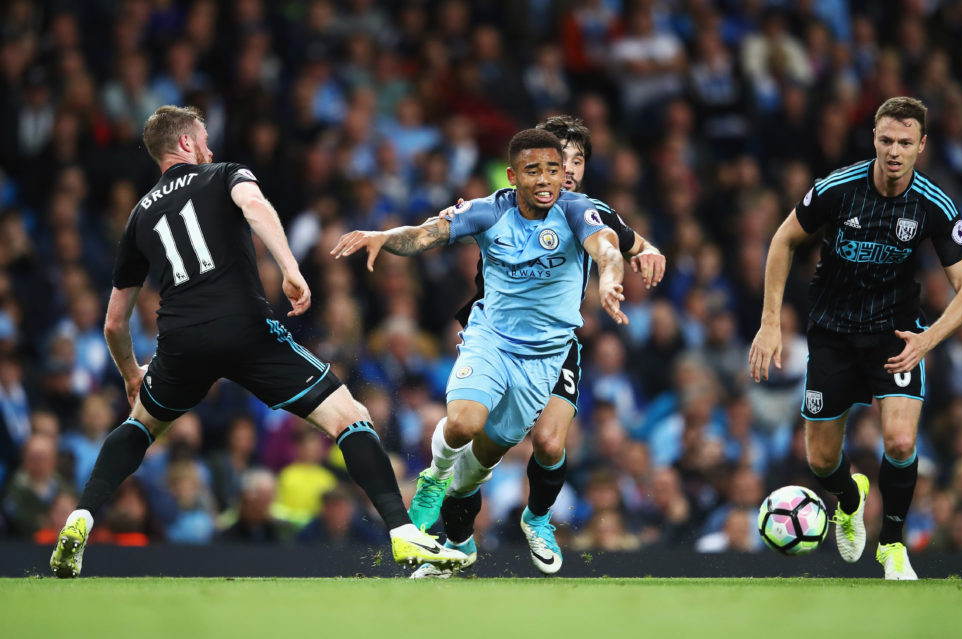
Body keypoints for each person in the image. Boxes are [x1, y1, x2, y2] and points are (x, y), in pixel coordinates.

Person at [49, 105, 465, 578]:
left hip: (180, 339)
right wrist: (290, 267)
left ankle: (80, 516)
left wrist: (130, 375)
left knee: (140, 424)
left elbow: (113, 322)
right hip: (243, 326)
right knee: (351, 417)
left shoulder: (138, 217)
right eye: (202, 139)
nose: (209, 148)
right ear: (185, 143)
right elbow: (256, 206)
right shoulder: (223, 174)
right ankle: (403, 532)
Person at [333, 128, 628, 576]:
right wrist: (384, 236)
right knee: (464, 421)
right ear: (513, 176)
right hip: (490, 340)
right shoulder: (489, 211)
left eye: (553, 169)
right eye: (534, 171)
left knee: (482, 462)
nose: (547, 179)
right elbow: (425, 234)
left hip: (544, 360)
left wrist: (609, 278)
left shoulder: (575, 210)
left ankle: (460, 531)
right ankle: (434, 476)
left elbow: (606, 247)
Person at [749, 97, 962, 580]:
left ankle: (892, 546)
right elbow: (782, 240)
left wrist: (927, 339)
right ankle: (851, 498)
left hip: (895, 335)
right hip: (832, 334)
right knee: (820, 460)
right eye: (885, 141)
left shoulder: (933, 205)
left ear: (922, 145)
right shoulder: (837, 189)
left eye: (904, 142)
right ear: (874, 140)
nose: (894, 151)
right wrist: (771, 322)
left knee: (899, 442)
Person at [435, 115, 666, 576]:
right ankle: (455, 528)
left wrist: (647, 251)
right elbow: (462, 219)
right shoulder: (502, 204)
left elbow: (623, 241)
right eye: (562, 158)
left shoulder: (586, 209)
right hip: (496, 334)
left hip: (556, 344)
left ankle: (537, 519)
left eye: (577, 160)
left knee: (548, 440)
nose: (569, 168)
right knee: (474, 440)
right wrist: (449, 216)